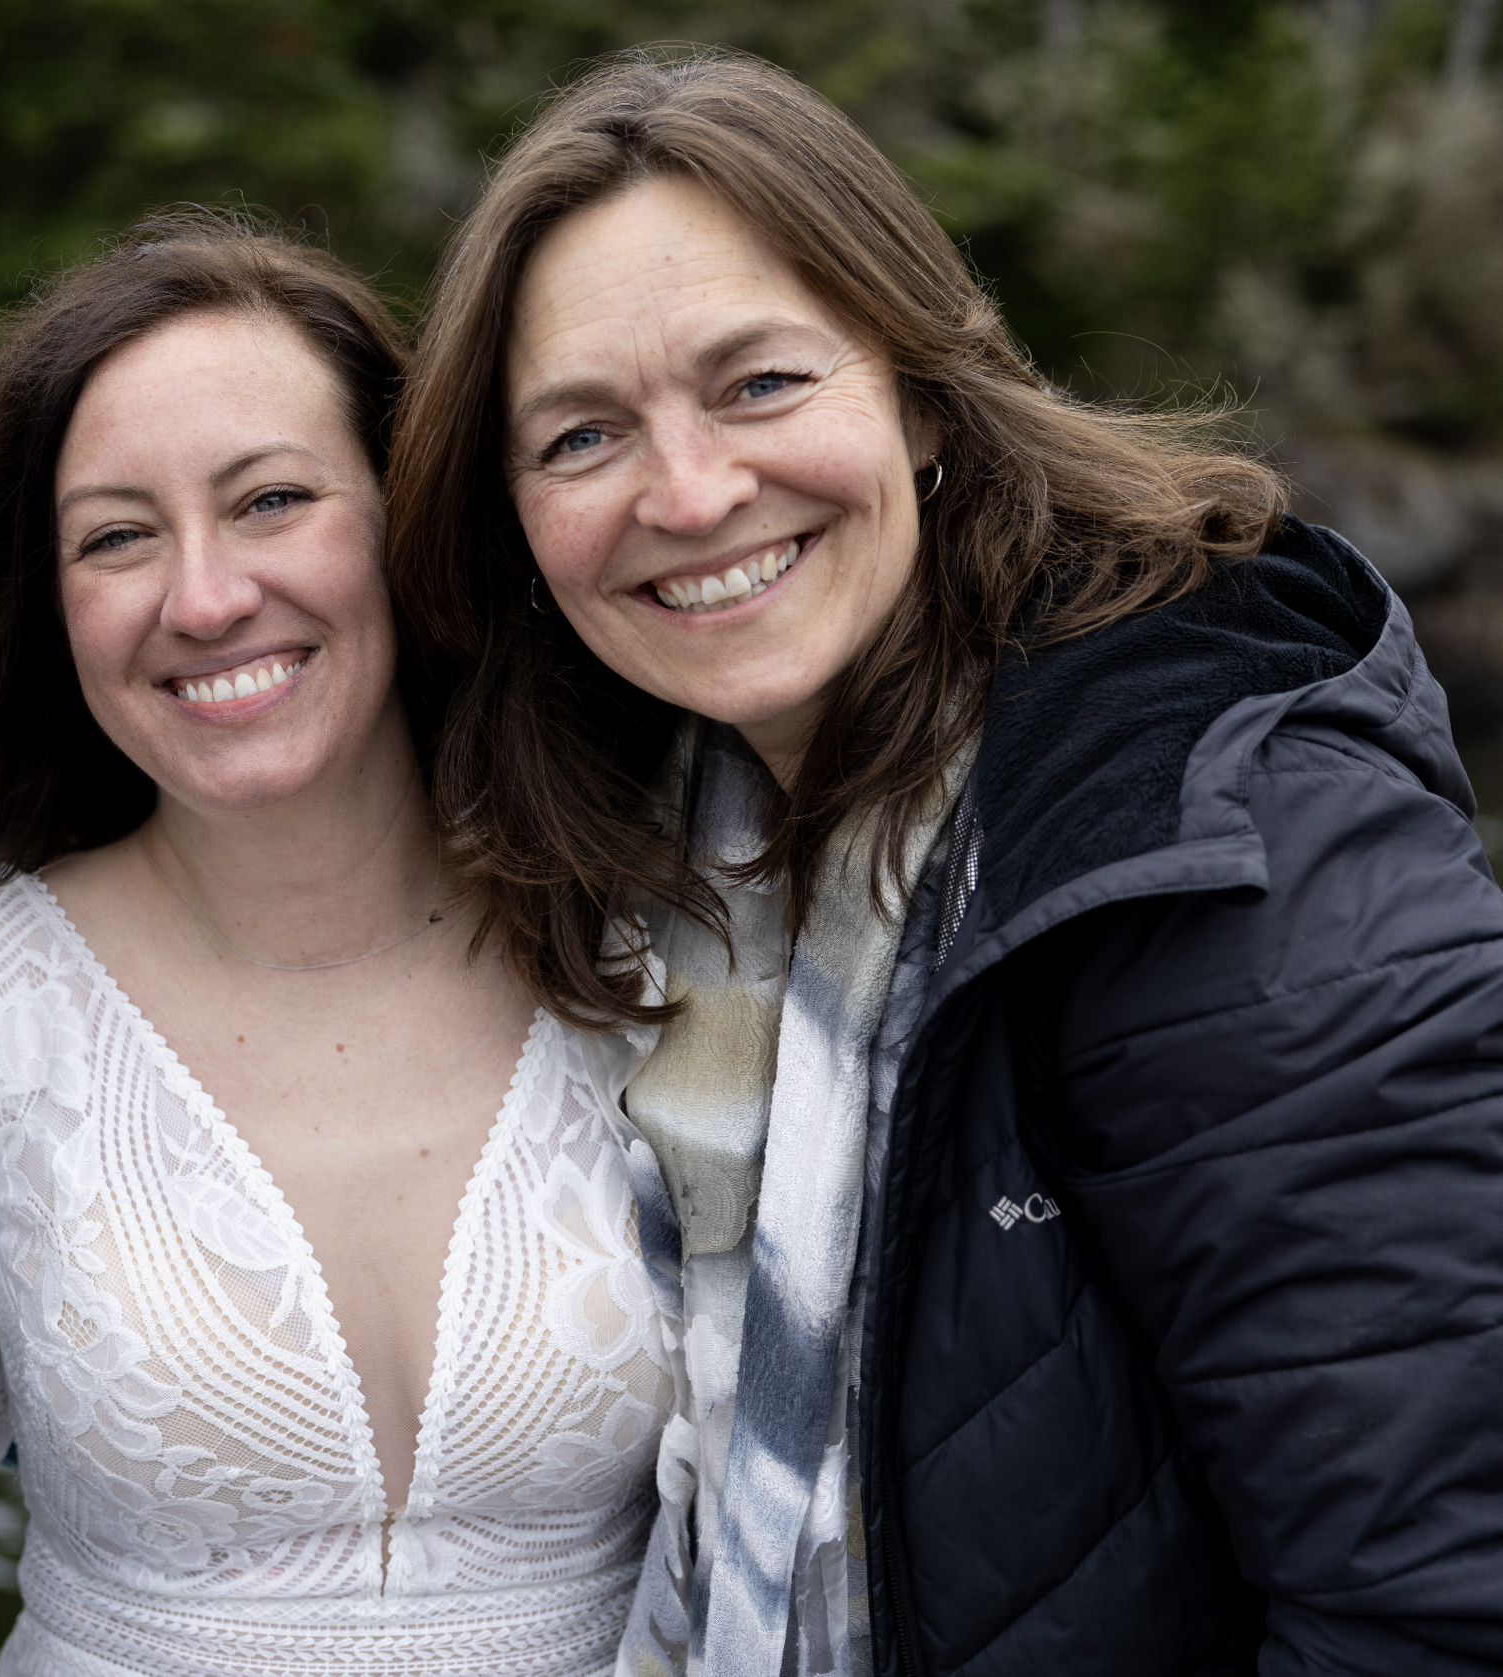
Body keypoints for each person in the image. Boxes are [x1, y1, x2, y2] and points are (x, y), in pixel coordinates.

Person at [385, 48, 1503, 1677]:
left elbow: (1441, 1597)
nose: (688, 493)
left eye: (761, 384)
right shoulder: (655, 859)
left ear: (919, 396)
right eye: (581, 437)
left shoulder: (1228, 844)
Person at [0, 217, 682, 1676]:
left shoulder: (655, 947)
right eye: (117, 537)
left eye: (273, 500)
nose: (206, 597)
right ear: (49, 603)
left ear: (409, 519)